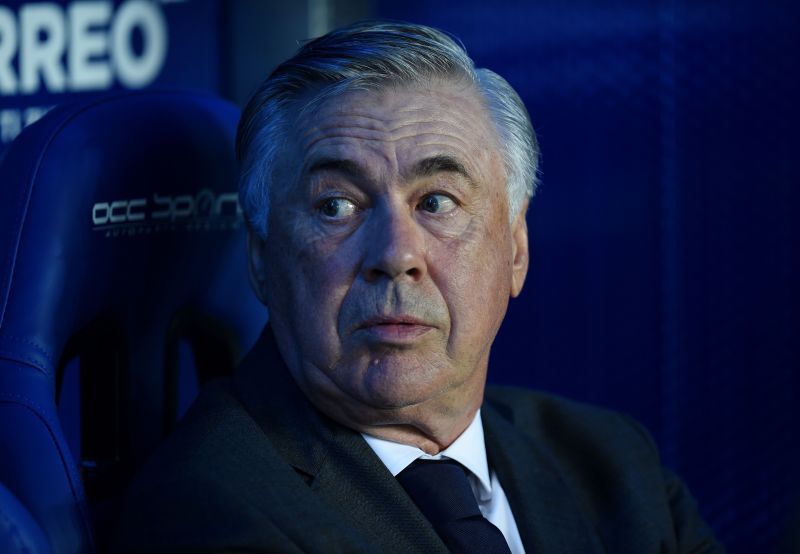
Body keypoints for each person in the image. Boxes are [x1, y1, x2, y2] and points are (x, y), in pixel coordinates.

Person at [112, 21, 723, 553]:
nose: (396, 255)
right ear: (262, 259)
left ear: (515, 248)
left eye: (436, 201)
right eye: (336, 206)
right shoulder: (209, 514)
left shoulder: (617, 468)